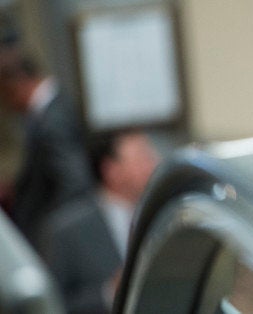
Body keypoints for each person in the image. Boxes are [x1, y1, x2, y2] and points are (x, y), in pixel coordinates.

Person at [39, 128, 160, 314]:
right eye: (142, 158)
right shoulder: (67, 230)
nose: (154, 163)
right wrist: (109, 293)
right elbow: (51, 303)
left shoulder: (163, 217)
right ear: (111, 170)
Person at [0, 37, 93, 246]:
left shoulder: (53, 120)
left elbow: (74, 183)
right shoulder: (48, 114)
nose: (5, 105)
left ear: (14, 85)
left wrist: (54, 236)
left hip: (55, 241)